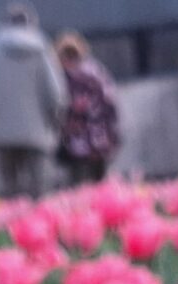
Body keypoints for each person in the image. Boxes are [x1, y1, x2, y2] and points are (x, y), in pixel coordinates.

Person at [0, 5, 66, 198]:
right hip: (37, 134)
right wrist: (54, 121)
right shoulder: (41, 48)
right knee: (39, 193)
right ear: (31, 24)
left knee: (10, 193)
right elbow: (56, 94)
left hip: (2, 133)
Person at [53, 32, 119, 186]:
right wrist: (113, 133)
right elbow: (111, 105)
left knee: (79, 184)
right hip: (100, 140)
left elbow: (58, 107)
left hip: (77, 141)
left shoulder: (61, 78)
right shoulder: (97, 73)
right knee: (99, 183)